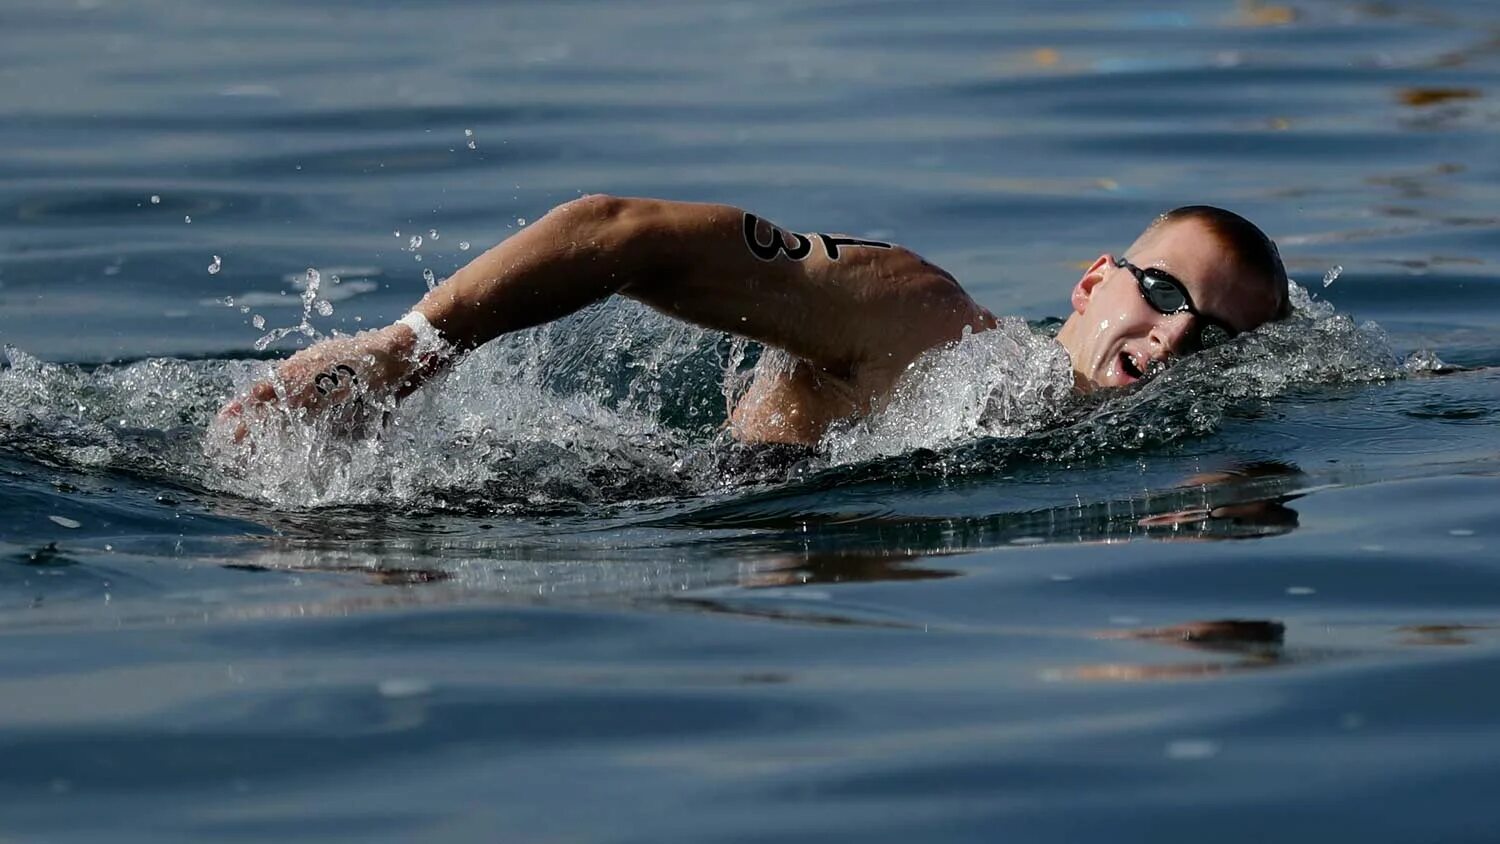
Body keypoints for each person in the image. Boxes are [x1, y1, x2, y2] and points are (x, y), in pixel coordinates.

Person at [216, 195, 1290, 446]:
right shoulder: (920, 318)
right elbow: (620, 230)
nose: (1176, 337)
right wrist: (405, 351)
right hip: (588, 518)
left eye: (1217, 335)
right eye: (1161, 290)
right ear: (1094, 279)